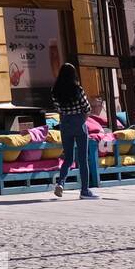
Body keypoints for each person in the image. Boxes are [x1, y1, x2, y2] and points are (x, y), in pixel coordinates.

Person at [51, 63, 96, 200]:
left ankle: (60, 183)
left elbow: (58, 109)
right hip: (79, 123)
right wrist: (82, 117)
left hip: (65, 124)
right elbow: (87, 107)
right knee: (82, 159)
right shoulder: (77, 89)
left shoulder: (55, 90)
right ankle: (84, 191)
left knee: (68, 157)